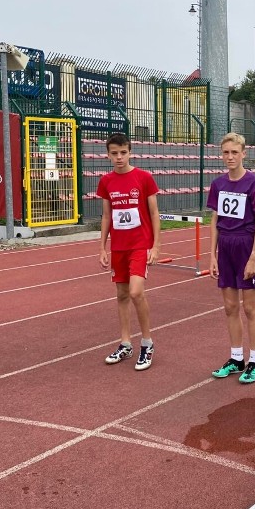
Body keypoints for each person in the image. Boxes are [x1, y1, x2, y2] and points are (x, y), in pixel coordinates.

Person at [207, 133, 255, 384]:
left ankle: (254, 360)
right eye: (226, 153)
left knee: (250, 307)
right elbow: (214, 221)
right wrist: (211, 255)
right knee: (230, 307)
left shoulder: (254, 184)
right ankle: (236, 358)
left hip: (246, 245)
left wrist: (254, 256)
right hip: (225, 246)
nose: (230, 157)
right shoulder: (218, 184)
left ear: (244, 153)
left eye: (235, 152)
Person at [98, 132, 161, 370]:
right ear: (108, 155)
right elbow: (106, 216)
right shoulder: (106, 181)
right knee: (122, 295)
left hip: (139, 244)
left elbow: (154, 213)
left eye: (123, 153)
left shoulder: (144, 178)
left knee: (136, 292)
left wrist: (156, 245)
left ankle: (147, 342)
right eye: (114, 153)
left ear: (130, 152)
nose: (119, 157)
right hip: (119, 246)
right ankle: (125, 343)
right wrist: (102, 247)